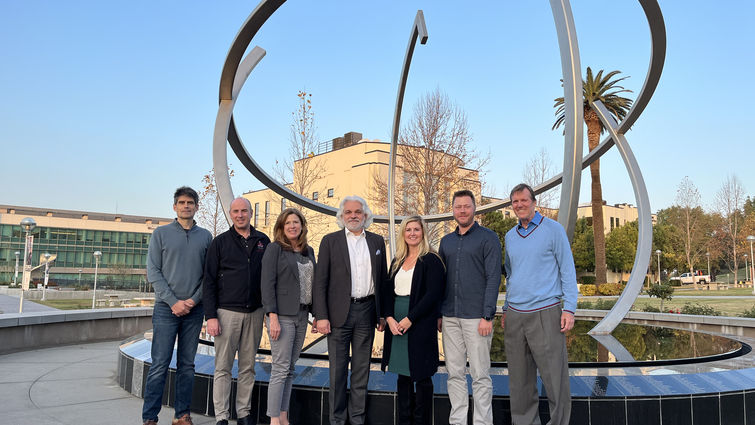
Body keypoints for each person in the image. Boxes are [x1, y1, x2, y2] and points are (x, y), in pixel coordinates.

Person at [501, 183, 578, 425]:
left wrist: (569, 308)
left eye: (524, 200)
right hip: (515, 315)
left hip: (546, 312)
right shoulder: (510, 237)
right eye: (515, 202)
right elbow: (511, 275)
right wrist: (505, 308)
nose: (519, 205)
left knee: (555, 378)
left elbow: (567, 270)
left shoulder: (553, 230)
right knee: (520, 380)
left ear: (534, 202)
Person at [313, 195, 388, 425]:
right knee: (337, 372)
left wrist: (382, 313)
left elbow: (382, 280)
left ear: (365, 216)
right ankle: (337, 420)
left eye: (358, 212)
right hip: (337, 315)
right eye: (348, 212)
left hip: (367, 311)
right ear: (342, 216)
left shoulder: (376, 241)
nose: (353, 216)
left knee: (361, 370)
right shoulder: (330, 241)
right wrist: (321, 316)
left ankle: (357, 419)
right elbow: (320, 281)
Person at [142, 186, 212, 425]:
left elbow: (208, 275)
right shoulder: (160, 234)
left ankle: (182, 415)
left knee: (187, 365)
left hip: (194, 310)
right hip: (165, 309)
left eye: (190, 202)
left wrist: (192, 300)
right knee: (160, 364)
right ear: (174, 206)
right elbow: (153, 271)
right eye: (181, 202)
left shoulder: (206, 236)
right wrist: (173, 302)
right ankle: (150, 417)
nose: (185, 206)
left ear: (196, 207)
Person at [203, 197, 270, 425]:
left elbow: (269, 279)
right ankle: (221, 416)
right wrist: (210, 316)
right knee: (222, 367)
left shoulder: (263, 241)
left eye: (244, 211)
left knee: (247, 367)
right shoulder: (220, 242)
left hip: (255, 313)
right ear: (230, 215)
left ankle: (243, 413)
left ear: (251, 213)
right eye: (236, 211)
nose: (240, 215)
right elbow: (209, 281)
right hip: (226, 313)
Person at [439, 189, 502, 425]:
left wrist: (488, 315)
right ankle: (457, 421)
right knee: (454, 374)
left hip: (477, 318)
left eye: (466, 206)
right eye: (458, 207)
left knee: (480, 375)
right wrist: (439, 314)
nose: (462, 210)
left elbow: (494, 277)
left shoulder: (488, 238)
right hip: (450, 317)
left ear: (474, 208)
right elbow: (441, 280)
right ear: (453, 210)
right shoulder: (446, 242)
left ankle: (482, 422)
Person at [381, 216, 445, 425]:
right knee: (402, 376)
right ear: (403, 233)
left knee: (422, 377)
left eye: (416, 229)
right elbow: (387, 292)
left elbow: (433, 294)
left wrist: (410, 318)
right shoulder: (397, 259)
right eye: (408, 229)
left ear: (423, 232)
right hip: (396, 320)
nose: (412, 233)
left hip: (420, 322)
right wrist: (389, 318)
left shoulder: (432, 259)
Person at [261, 208, 317, 425]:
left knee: (291, 368)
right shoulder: (274, 249)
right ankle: (274, 419)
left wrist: (316, 315)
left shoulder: (308, 251)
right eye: (288, 223)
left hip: (302, 315)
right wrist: (272, 316)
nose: (292, 226)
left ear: (302, 226)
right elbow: (267, 284)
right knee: (281, 367)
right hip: (281, 315)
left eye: (296, 222)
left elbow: (313, 284)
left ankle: (284, 416)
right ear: (281, 228)